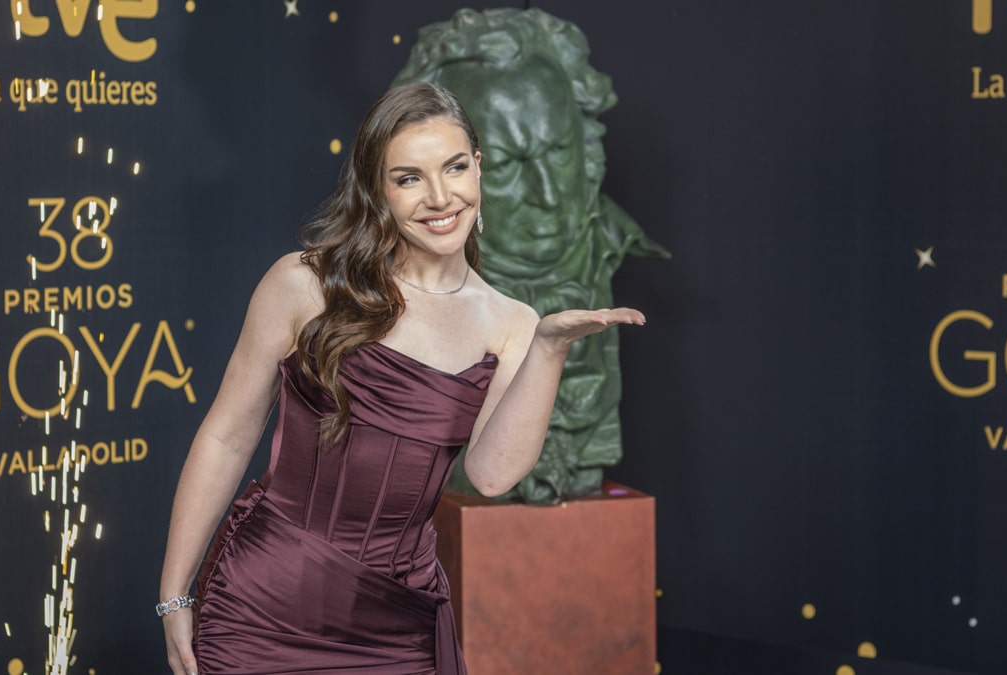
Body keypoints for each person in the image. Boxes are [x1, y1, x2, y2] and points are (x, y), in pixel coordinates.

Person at [158, 82, 645, 674]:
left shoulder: (512, 322)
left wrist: (548, 349)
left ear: (479, 169)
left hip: (397, 623)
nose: (440, 197)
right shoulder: (302, 285)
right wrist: (175, 595)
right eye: (409, 177)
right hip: (263, 603)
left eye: (455, 167)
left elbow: (491, 476)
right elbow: (226, 437)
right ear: (376, 190)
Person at [393, 9, 669, 503]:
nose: (545, 194)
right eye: (508, 166)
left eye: (558, 151)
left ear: (587, 147)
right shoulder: (400, 294)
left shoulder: (609, 244)